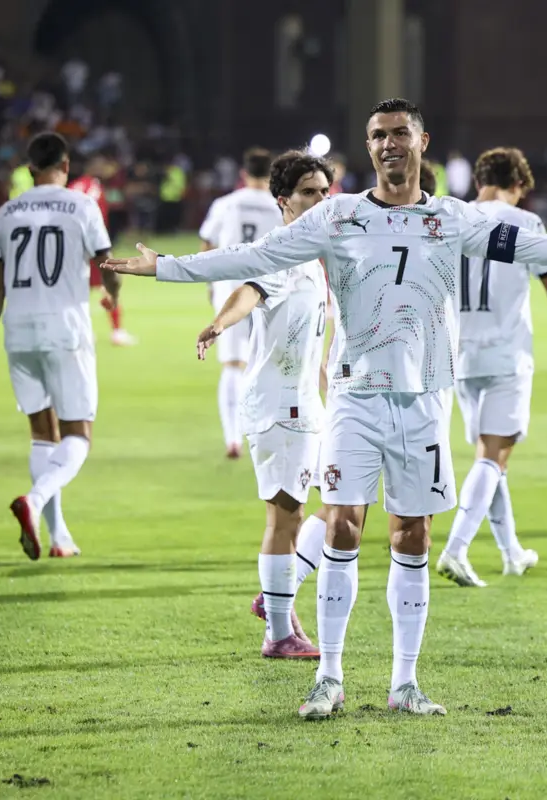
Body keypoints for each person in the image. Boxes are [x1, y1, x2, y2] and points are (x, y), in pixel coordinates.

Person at [102, 98, 547, 719]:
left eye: (399, 134)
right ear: (370, 146)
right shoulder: (338, 216)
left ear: (421, 141)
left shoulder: (453, 218)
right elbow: (254, 258)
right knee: (341, 526)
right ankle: (328, 676)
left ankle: (404, 683)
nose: (388, 144)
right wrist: (165, 267)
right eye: (378, 135)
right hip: (356, 397)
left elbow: (535, 247)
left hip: (424, 401)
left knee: (412, 537)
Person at [195, 151, 334, 659]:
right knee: (285, 517)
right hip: (280, 406)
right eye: (308, 193)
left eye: (324, 191)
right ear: (284, 201)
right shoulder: (283, 251)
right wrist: (219, 324)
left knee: (342, 505)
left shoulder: (314, 253)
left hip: (305, 403)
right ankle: (278, 632)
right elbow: (248, 291)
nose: (320, 200)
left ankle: (277, 596)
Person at [437, 147, 547, 587]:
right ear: (520, 185)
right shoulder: (524, 223)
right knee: (493, 456)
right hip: (506, 354)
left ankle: (511, 553)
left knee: (490, 459)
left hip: (460, 356)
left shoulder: (453, 218)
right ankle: (456, 549)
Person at [0, 132, 117, 560]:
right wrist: (114, 296)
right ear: (66, 166)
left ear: (30, 170)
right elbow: (107, 264)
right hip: (65, 330)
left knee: (41, 435)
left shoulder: (4, 214)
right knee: (78, 436)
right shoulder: (82, 205)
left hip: (18, 333)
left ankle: (58, 537)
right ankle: (33, 502)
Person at [197, 148, 282, 459]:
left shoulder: (226, 204)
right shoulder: (278, 205)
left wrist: (210, 284)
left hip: (230, 289)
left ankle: (233, 437)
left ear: (243, 174)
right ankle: (262, 429)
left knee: (233, 365)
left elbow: (207, 242)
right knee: (268, 363)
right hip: (271, 289)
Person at [69, 155, 136, 346]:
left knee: (77, 289)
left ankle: (79, 331)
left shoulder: (75, 185)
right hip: (92, 245)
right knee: (108, 285)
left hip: (74, 245)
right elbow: (88, 214)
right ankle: (117, 332)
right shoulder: (93, 187)